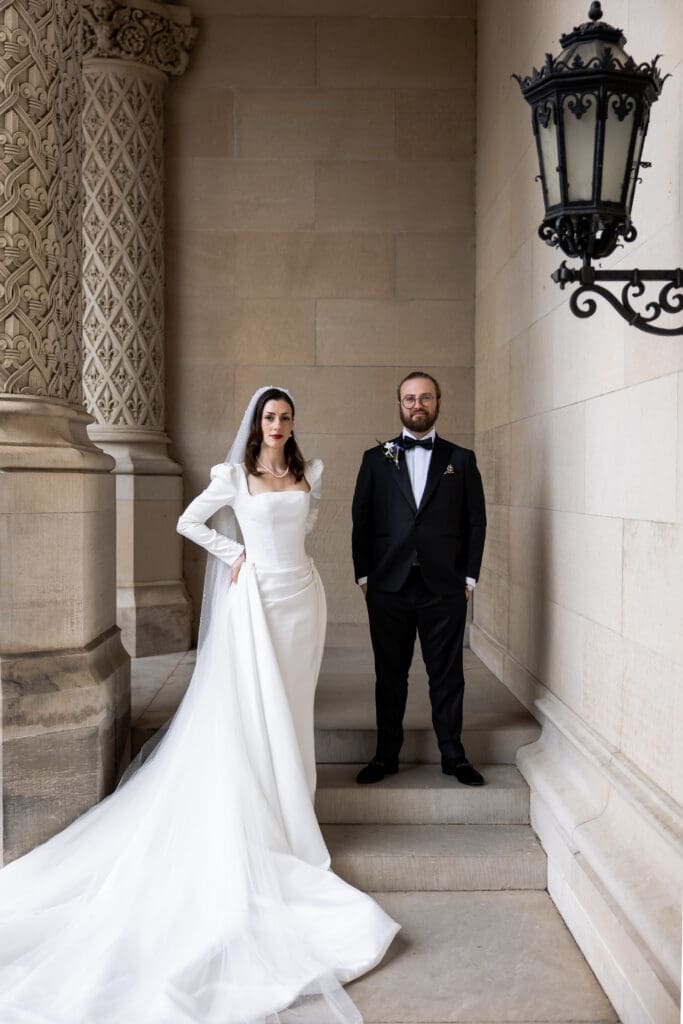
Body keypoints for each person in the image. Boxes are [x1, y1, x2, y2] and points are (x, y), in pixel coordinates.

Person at [0, 386, 398, 1024]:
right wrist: (235, 553)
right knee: (257, 712)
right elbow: (190, 521)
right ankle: (273, 822)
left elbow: (310, 525)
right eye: (269, 416)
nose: (277, 425)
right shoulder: (233, 476)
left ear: (293, 424)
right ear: (256, 423)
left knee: (292, 712)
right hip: (258, 604)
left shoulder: (308, 472)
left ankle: (294, 809)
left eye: (285, 416)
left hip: (303, 604)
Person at [352, 371, 487, 787]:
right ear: (399, 404)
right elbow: (361, 520)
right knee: (389, 674)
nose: (417, 405)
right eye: (409, 398)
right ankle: (385, 755)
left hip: (445, 586)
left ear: (438, 402)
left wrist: (469, 579)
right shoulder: (376, 459)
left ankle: (454, 755)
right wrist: (364, 578)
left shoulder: (460, 460)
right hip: (388, 586)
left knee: (447, 674)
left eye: (425, 398)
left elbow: (475, 522)